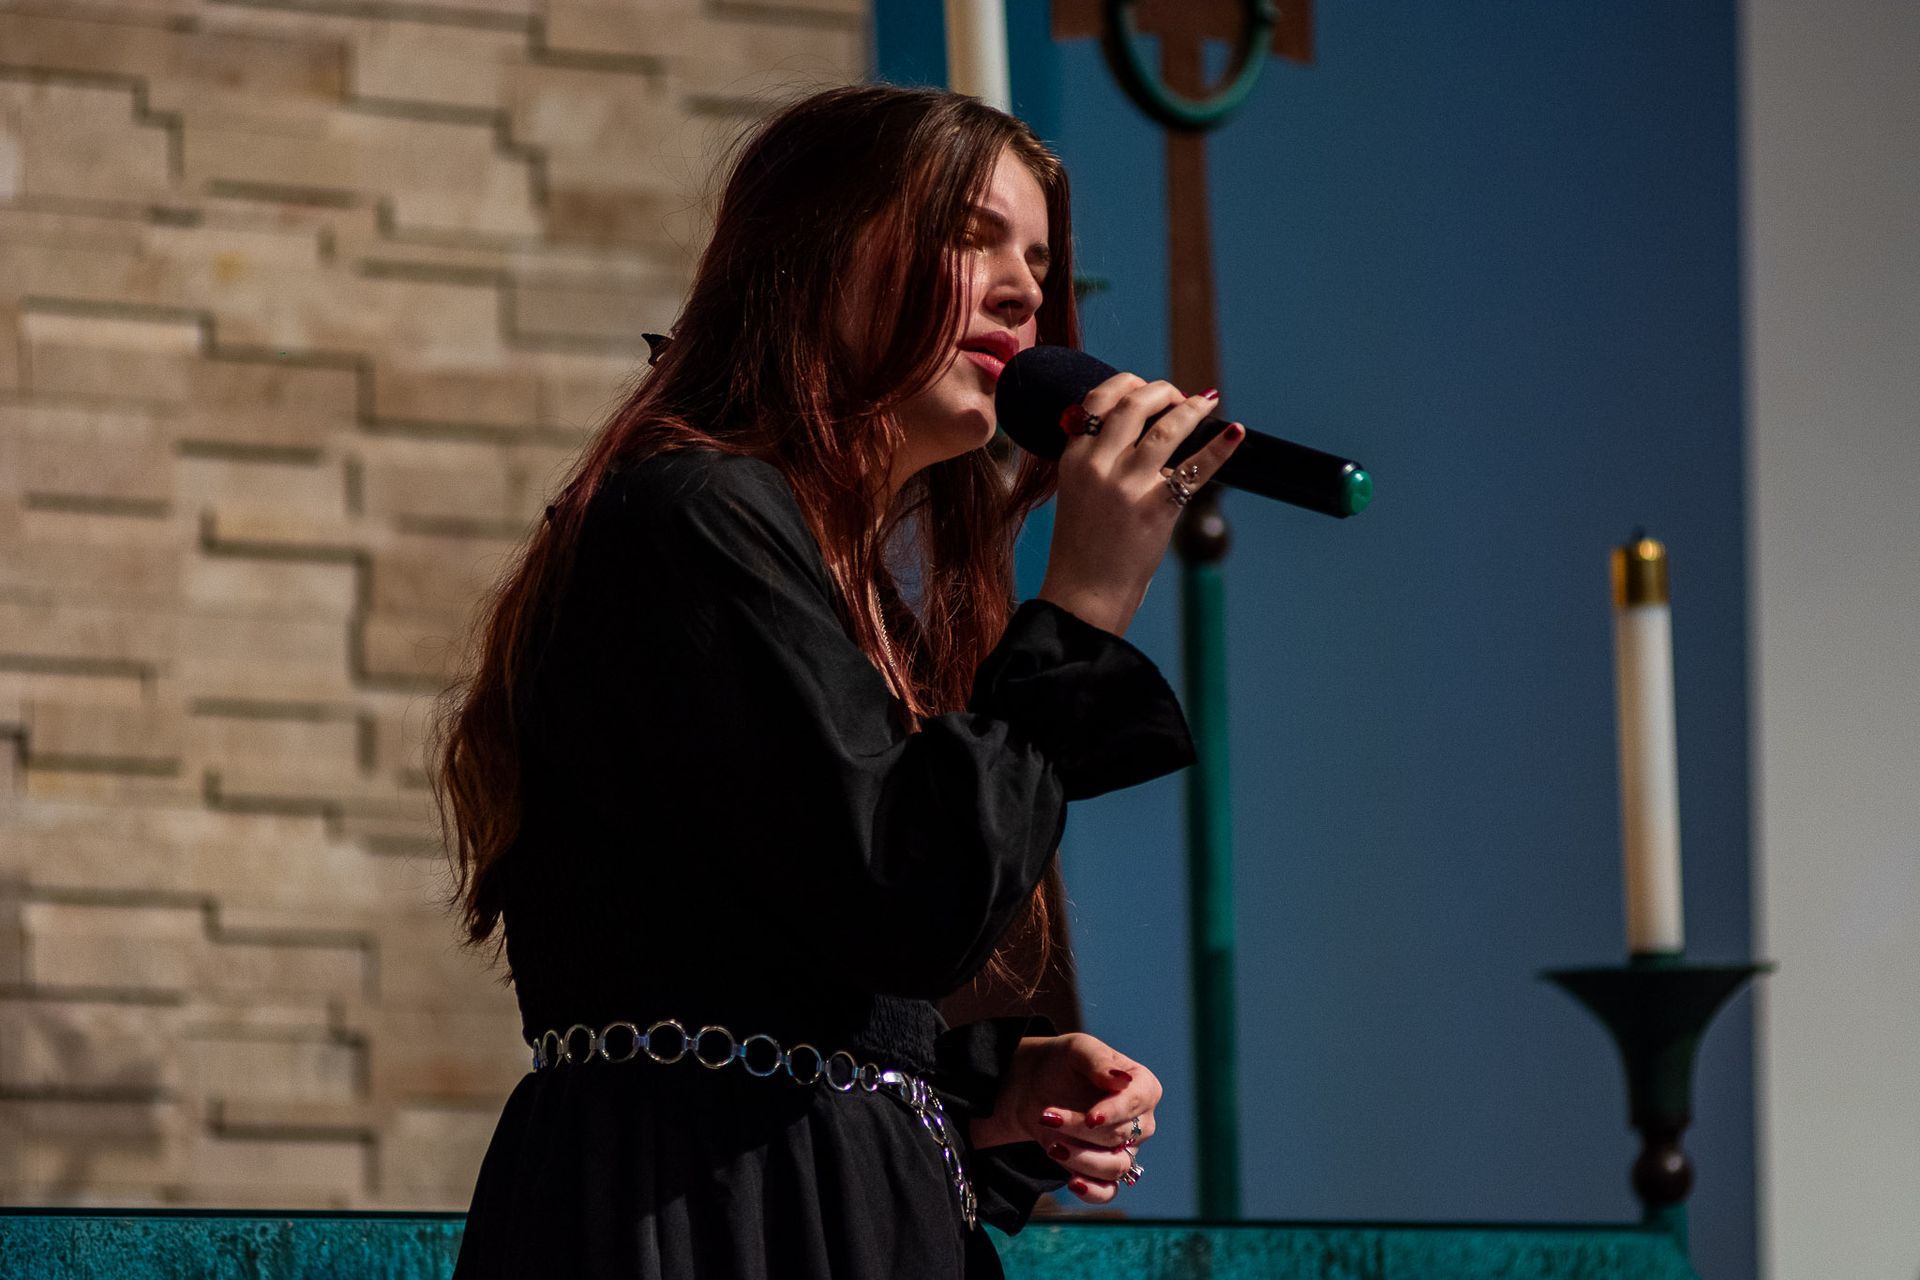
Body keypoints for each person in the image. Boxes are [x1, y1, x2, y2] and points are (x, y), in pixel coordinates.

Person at [434, 83, 1247, 1280]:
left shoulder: (862, 595)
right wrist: (1081, 604)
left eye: (1037, 260)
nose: (1024, 291)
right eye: (969, 236)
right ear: (818, 254)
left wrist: (981, 1087)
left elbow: (775, 960)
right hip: (698, 1213)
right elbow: (899, 894)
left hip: (810, 1200)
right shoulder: (697, 514)